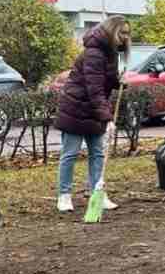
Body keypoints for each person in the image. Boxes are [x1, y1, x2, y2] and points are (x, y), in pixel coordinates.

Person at [54, 15, 130, 214]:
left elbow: (105, 80)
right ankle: (64, 196)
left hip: (93, 109)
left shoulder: (111, 52)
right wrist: (107, 117)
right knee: (70, 154)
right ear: (111, 31)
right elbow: (94, 88)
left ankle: (98, 193)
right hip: (75, 108)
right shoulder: (94, 53)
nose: (125, 37)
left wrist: (118, 81)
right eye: (122, 33)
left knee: (97, 154)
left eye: (127, 33)